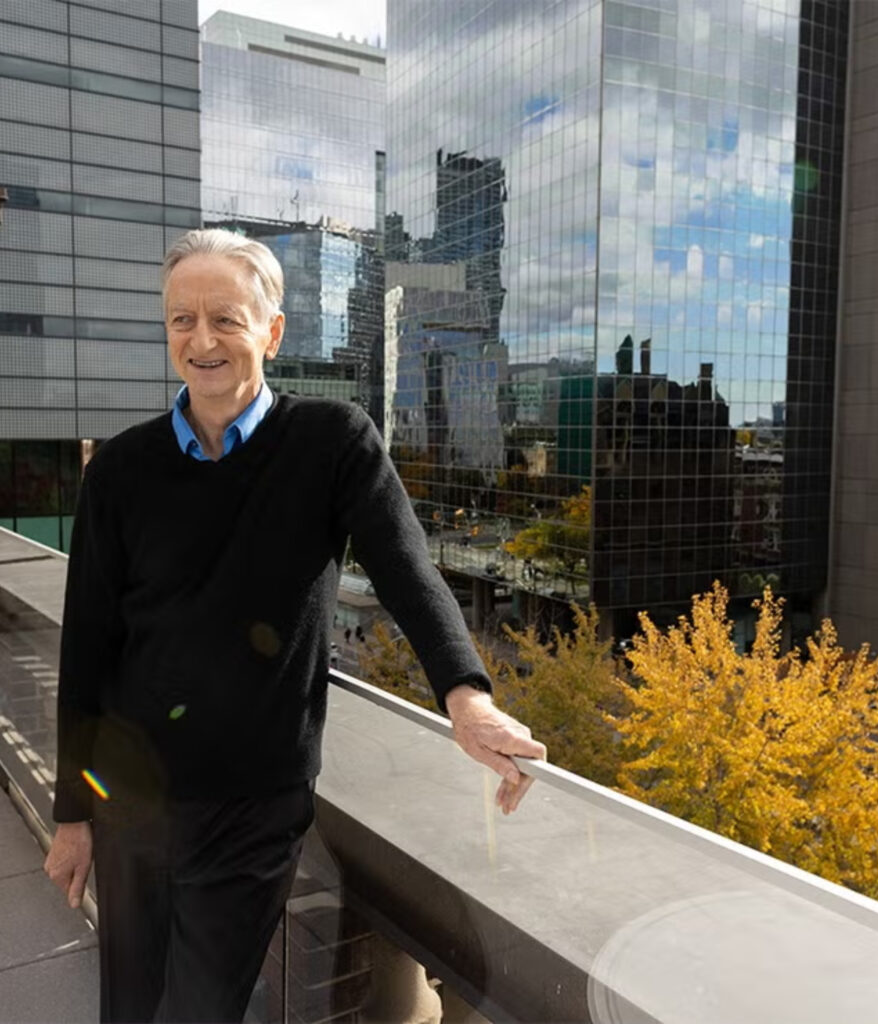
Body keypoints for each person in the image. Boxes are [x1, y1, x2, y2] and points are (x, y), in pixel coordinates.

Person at [43, 229, 545, 1023]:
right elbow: (88, 650)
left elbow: (407, 570)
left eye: (226, 319)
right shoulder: (120, 472)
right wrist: (74, 815)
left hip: (254, 803)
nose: (201, 341)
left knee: (202, 1009)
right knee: (129, 1004)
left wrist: (466, 695)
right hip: (128, 800)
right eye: (181, 320)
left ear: (271, 331)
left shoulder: (332, 442)